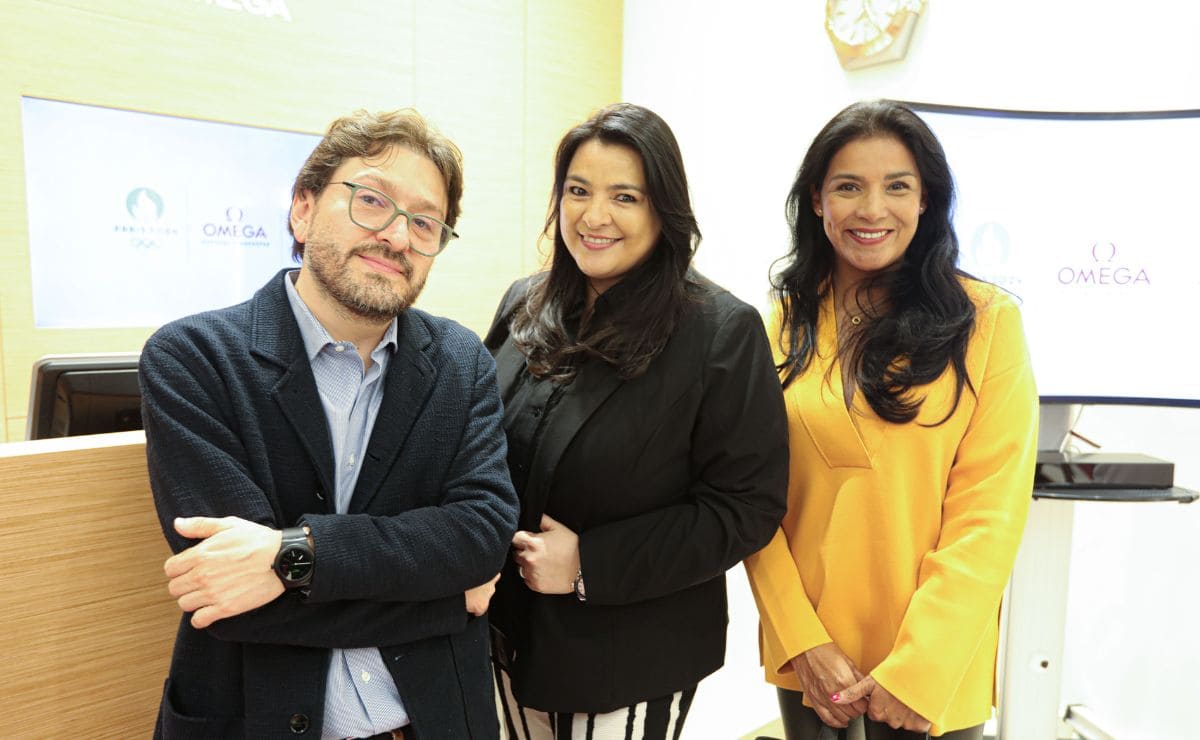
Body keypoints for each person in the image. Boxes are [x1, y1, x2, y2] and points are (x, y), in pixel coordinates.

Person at [140, 108, 518, 739]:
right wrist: (449, 597)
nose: (398, 237)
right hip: (253, 718)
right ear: (303, 208)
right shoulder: (193, 358)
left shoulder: (461, 361)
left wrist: (293, 556)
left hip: (435, 719)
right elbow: (230, 600)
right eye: (372, 200)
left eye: (425, 222)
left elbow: (480, 535)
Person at [482, 102, 789, 739]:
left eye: (625, 196)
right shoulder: (525, 301)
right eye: (578, 191)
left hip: (624, 658)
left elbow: (747, 506)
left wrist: (590, 563)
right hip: (504, 637)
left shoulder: (719, 332)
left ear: (663, 209)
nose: (594, 217)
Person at [744, 100, 1038, 739]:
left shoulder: (987, 322)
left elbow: (989, 518)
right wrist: (801, 642)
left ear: (927, 200)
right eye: (848, 186)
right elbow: (751, 502)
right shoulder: (779, 325)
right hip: (814, 662)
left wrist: (917, 670)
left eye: (897, 186)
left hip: (933, 668)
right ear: (817, 200)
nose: (872, 209)